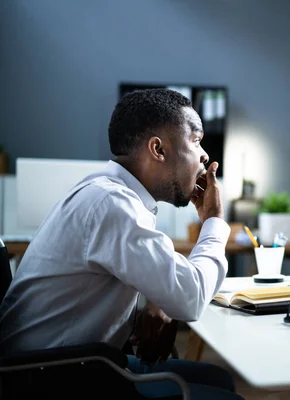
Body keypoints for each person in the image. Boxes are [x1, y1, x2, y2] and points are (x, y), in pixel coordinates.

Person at [0, 89, 243, 399]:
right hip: (53, 378)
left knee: (218, 379)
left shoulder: (112, 195)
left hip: (67, 365)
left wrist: (154, 301)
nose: (204, 155)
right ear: (158, 148)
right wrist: (214, 222)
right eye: (195, 141)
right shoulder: (112, 204)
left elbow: (142, 275)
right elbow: (190, 297)